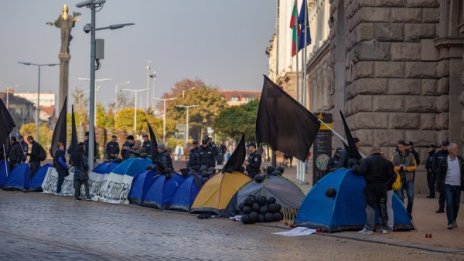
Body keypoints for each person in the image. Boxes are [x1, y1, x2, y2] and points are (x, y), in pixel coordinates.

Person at [352, 144, 393, 234]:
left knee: (370, 207)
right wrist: (386, 185)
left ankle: (369, 228)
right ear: (380, 151)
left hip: (370, 187)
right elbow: (392, 175)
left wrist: (354, 167)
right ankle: (384, 227)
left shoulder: (367, 161)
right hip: (382, 187)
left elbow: (361, 171)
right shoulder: (387, 162)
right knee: (382, 207)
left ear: (372, 151)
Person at [435, 143, 464, 229]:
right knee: (449, 203)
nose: (457, 151)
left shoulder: (460, 159)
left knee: (456, 204)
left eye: (456, 149)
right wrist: (438, 187)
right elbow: (439, 175)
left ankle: (454, 219)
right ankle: (450, 222)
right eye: (455, 149)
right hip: (448, 185)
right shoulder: (444, 160)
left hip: (458, 185)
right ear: (450, 151)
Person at [392, 140, 417, 218]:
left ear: (405, 147)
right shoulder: (395, 155)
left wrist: (407, 168)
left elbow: (414, 166)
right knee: (400, 198)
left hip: (409, 179)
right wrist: (399, 168)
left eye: (401, 147)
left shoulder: (411, 155)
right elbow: (392, 167)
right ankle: (403, 213)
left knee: (411, 196)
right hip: (399, 180)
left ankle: (409, 211)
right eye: (399, 147)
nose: (400, 148)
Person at [432, 140, 450, 213]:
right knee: (441, 193)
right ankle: (441, 207)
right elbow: (434, 164)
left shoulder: (450, 154)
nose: (445, 147)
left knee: (448, 193)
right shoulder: (437, 154)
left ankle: (449, 207)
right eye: (444, 145)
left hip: (448, 175)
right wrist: (437, 173)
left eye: (446, 145)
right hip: (441, 176)